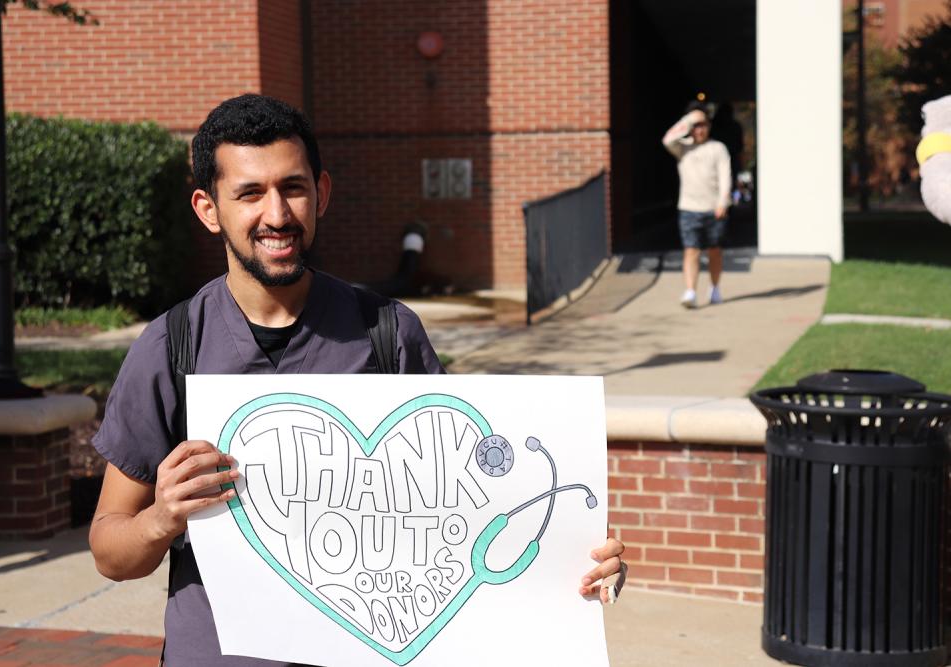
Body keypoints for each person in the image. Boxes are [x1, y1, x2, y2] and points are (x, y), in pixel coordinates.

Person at [88, 94, 625, 666]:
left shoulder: (388, 334)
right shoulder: (172, 348)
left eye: (292, 187)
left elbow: (475, 510)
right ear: (208, 208)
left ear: (320, 193)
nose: (277, 214)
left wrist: (579, 557)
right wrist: (162, 517)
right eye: (249, 193)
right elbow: (111, 552)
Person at [662, 102, 732, 308]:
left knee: (714, 251)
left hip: (713, 208)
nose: (699, 129)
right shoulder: (682, 148)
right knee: (691, 250)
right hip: (689, 208)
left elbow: (725, 176)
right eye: (696, 125)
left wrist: (722, 203)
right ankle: (691, 291)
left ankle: (715, 287)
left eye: (703, 125)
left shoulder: (718, 148)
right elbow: (667, 139)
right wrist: (689, 118)